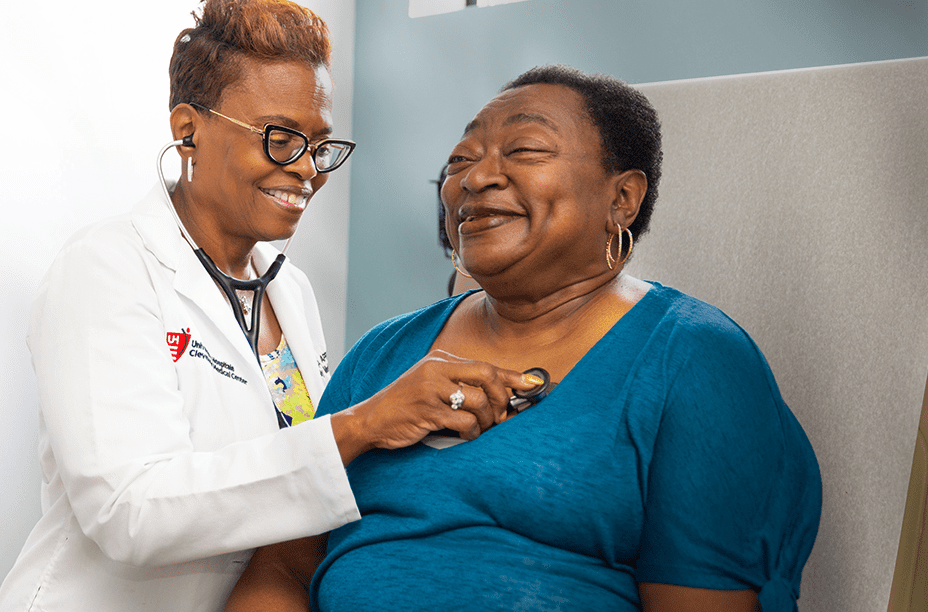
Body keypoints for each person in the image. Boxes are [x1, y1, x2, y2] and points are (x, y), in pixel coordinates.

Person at [225, 65, 823, 612]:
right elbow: (282, 568)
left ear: (623, 197)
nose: (477, 178)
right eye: (461, 160)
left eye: (526, 150)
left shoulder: (694, 359)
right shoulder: (383, 355)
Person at [0, 2, 536, 611]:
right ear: (187, 130)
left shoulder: (289, 290)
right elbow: (131, 511)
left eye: (322, 143)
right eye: (282, 139)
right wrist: (362, 425)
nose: (308, 169)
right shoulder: (107, 268)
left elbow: (299, 489)